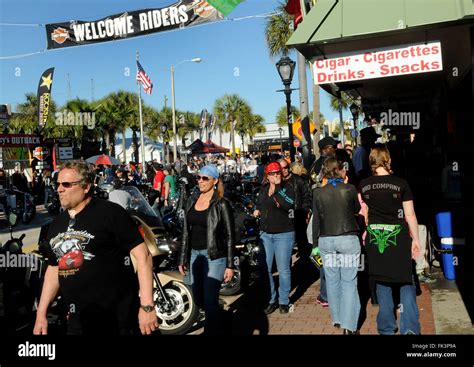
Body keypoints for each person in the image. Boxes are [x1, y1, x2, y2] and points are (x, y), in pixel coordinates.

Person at [33, 160, 158, 335]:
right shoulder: (56, 224)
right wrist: (41, 313)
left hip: (116, 318)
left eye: (67, 184)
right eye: (58, 184)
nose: (59, 189)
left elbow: (143, 256)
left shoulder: (111, 213)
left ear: (86, 187)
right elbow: (54, 269)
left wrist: (147, 306)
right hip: (79, 321)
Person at [360, 147, 421, 335]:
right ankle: (409, 327)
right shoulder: (401, 184)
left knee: (381, 280)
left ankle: (386, 327)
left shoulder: (364, 185)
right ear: (388, 160)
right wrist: (416, 239)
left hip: (376, 237)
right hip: (399, 238)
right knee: (406, 280)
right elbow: (410, 214)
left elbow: (366, 214)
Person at [178, 164, 234, 335]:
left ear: (215, 181)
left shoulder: (221, 203)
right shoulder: (192, 200)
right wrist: (182, 258)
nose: (200, 181)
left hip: (215, 256)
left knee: (210, 300)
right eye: (198, 177)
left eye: (205, 178)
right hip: (195, 255)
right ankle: (220, 318)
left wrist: (230, 265)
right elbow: (186, 232)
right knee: (199, 298)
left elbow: (230, 235)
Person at [312, 158, 361, 335]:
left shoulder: (318, 193)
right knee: (349, 281)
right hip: (347, 237)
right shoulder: (349, 189)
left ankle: (338, 318)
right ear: (340, 170)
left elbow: (316, 220)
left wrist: (315, 244)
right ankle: (349, 325)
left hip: (326, 240)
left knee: (332, 281)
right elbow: (356, 209)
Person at [254, 162, 296, 315]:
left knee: (283, 269)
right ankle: (272, 299)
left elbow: (289, 205)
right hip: (266, 234)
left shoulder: (287, 188)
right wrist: (256, 209)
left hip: (283, 234)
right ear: (267, 175)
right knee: (265, 268)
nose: (276, 175)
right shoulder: (263, 190)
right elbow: (259, 203)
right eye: (272, 173)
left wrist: (278, 189)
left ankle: (284, 301)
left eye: (278, 172)